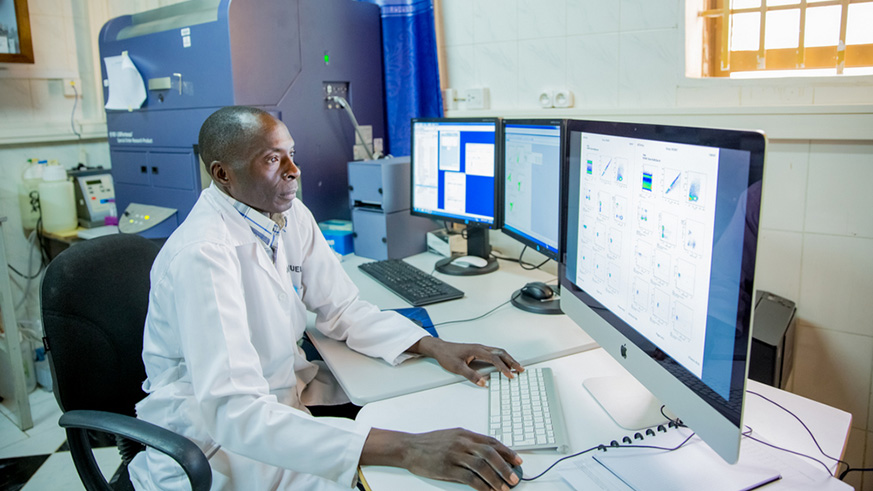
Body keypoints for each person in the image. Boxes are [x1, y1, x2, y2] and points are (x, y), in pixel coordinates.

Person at [128, 106, 524, 491]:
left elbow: (342, 309)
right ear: (223, 174)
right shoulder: (203, 256)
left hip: (280, 406)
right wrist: (407, 448)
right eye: (272, 159)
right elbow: (235, 413)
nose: (294, 170)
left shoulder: (289, 216)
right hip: (217, 448)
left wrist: (432, 345)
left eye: (291, 155)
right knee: (397, 472)